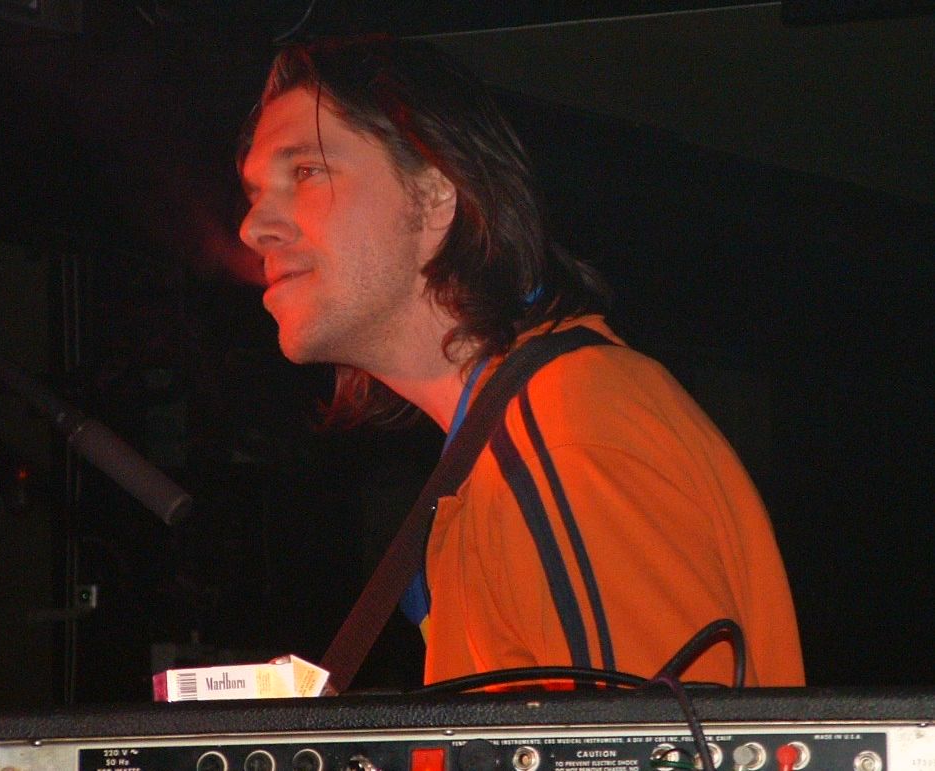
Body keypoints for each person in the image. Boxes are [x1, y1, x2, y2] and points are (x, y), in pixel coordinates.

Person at [238, 35, 804, 687]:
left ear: (437, 195)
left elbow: (649, 741)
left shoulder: (566, 431)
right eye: (254, 194)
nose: (253, 227)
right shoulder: (505, 451)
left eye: (305, 172)